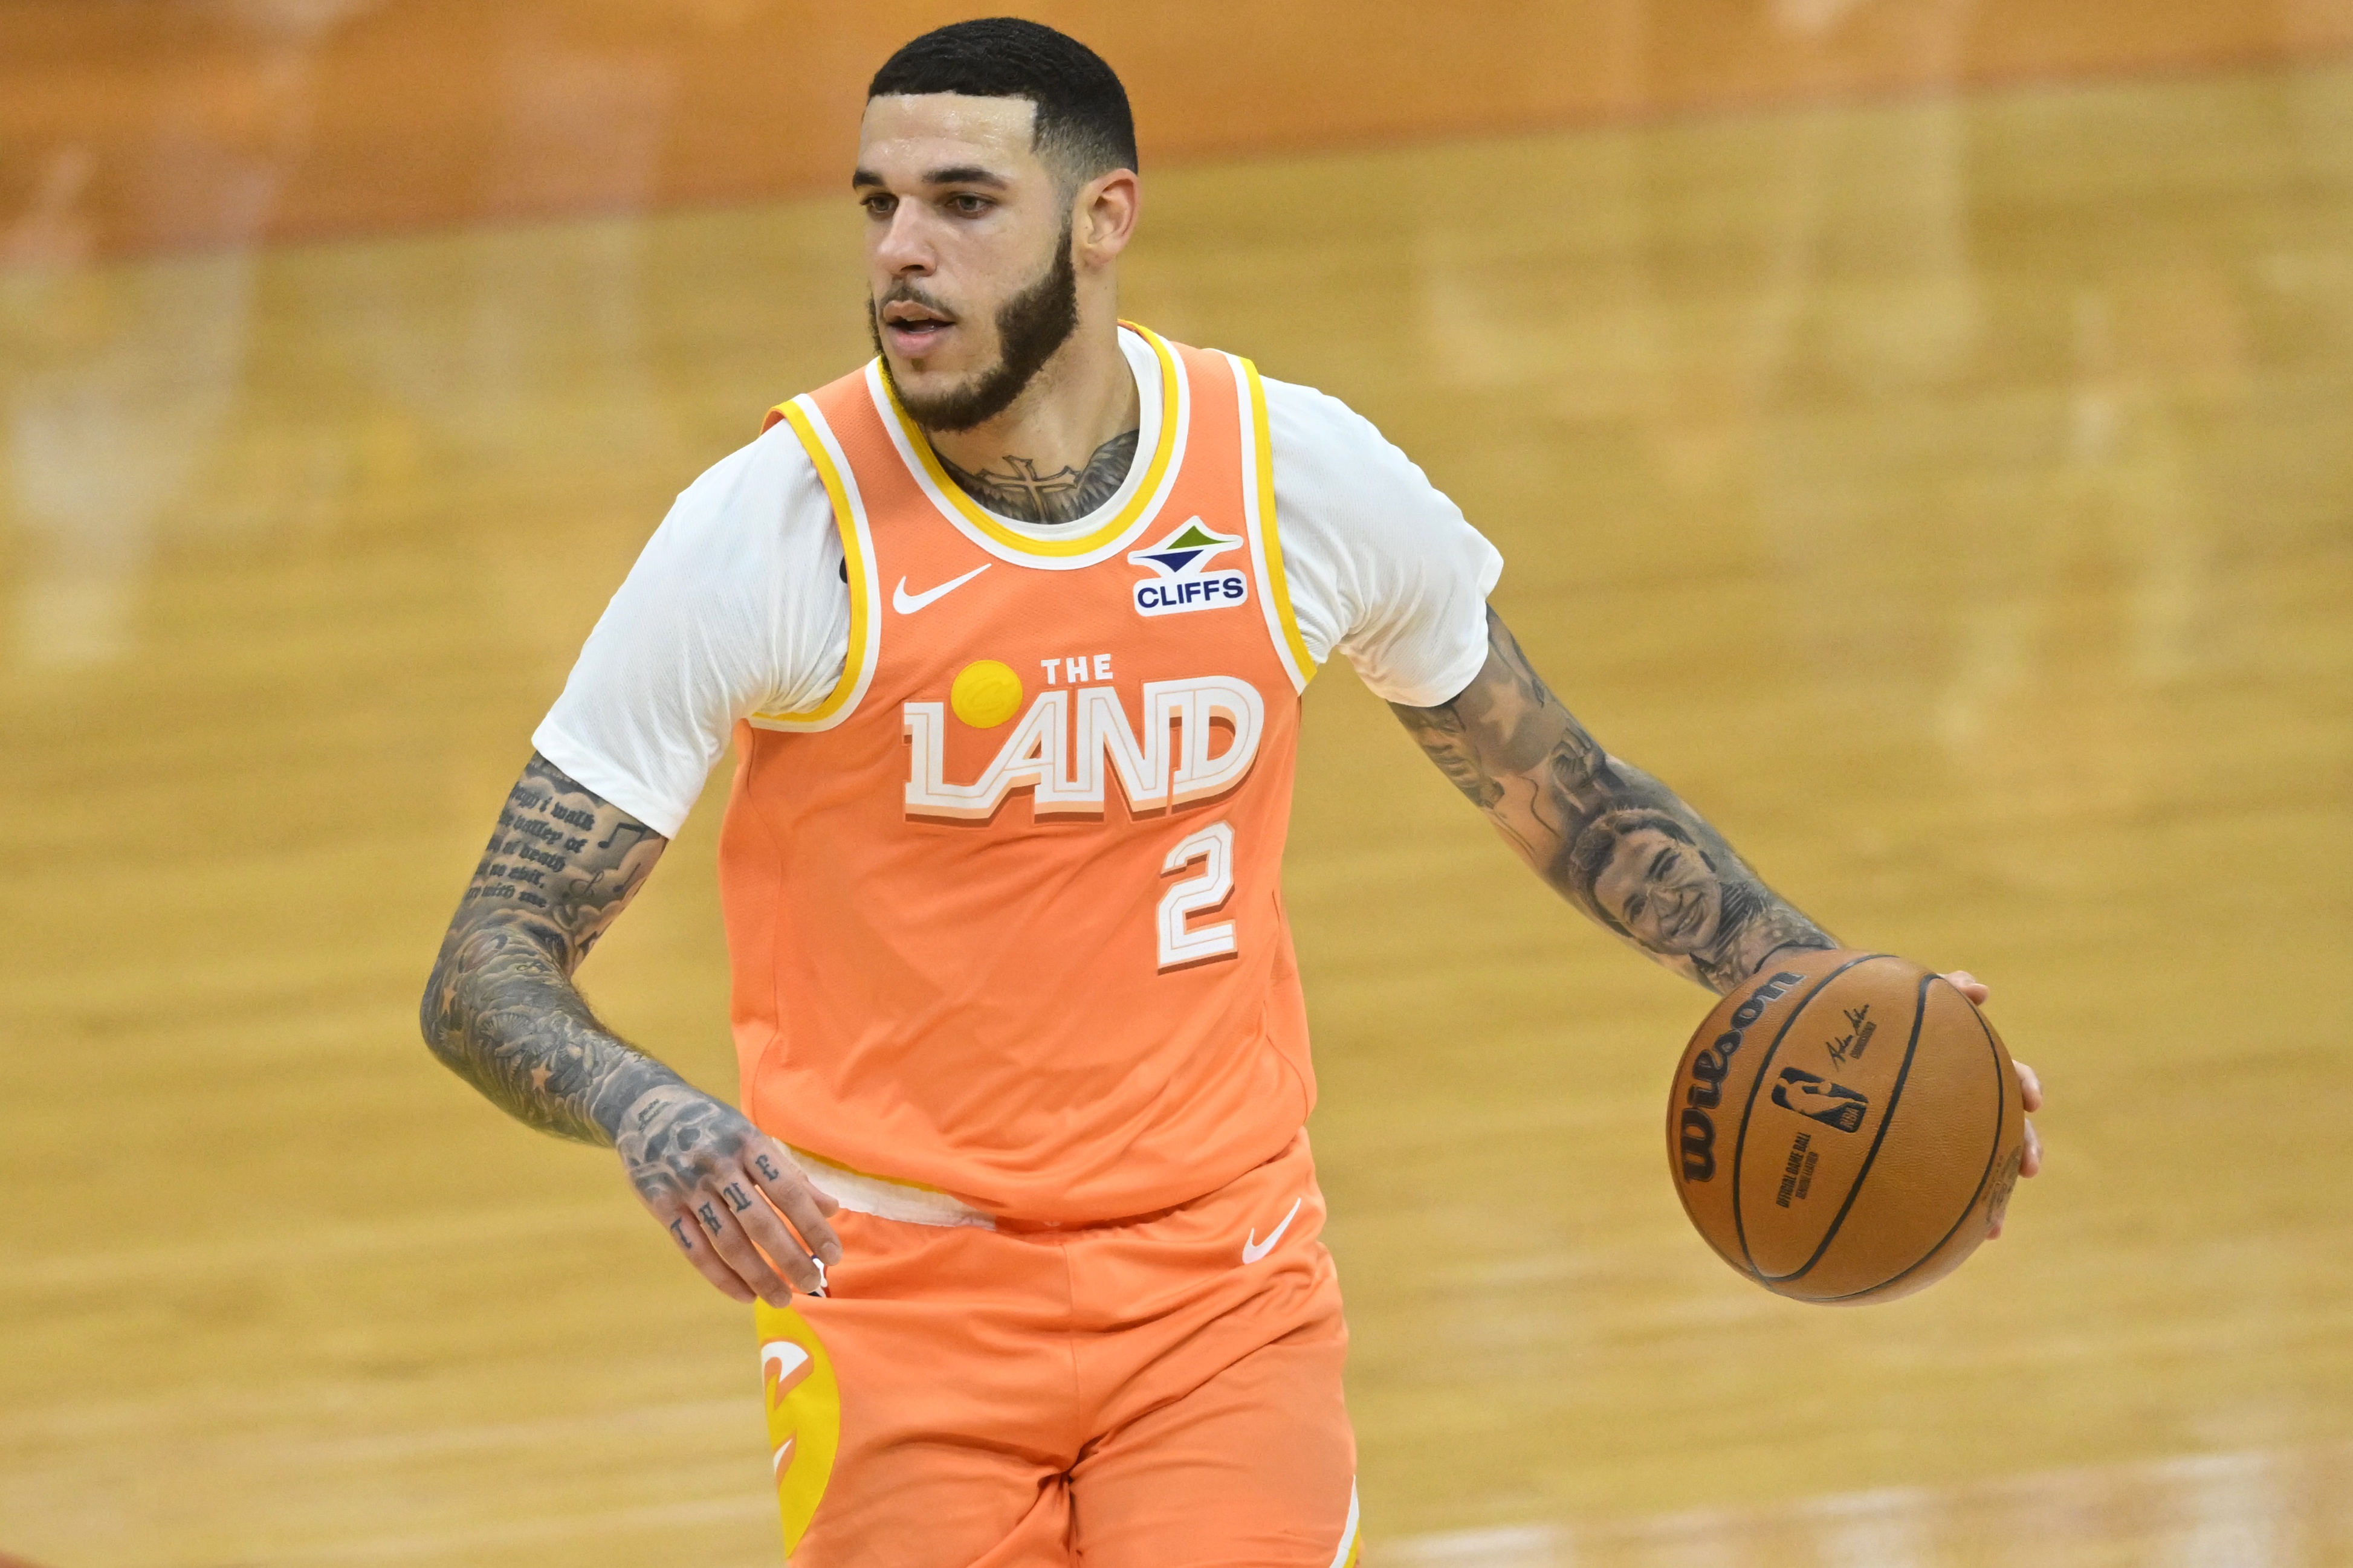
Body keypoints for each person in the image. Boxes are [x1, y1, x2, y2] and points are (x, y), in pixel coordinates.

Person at [419, 18, 2042, 1564]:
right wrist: (643, 1106)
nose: (902, 252)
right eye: (879, 204)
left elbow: (1567, 792)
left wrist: (1832, 996)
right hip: (887, 1283)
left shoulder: (1293, 478)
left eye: (964, 203)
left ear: (1104, 217)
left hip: (1222, 1277)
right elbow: (488, 959)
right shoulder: (774, 531)